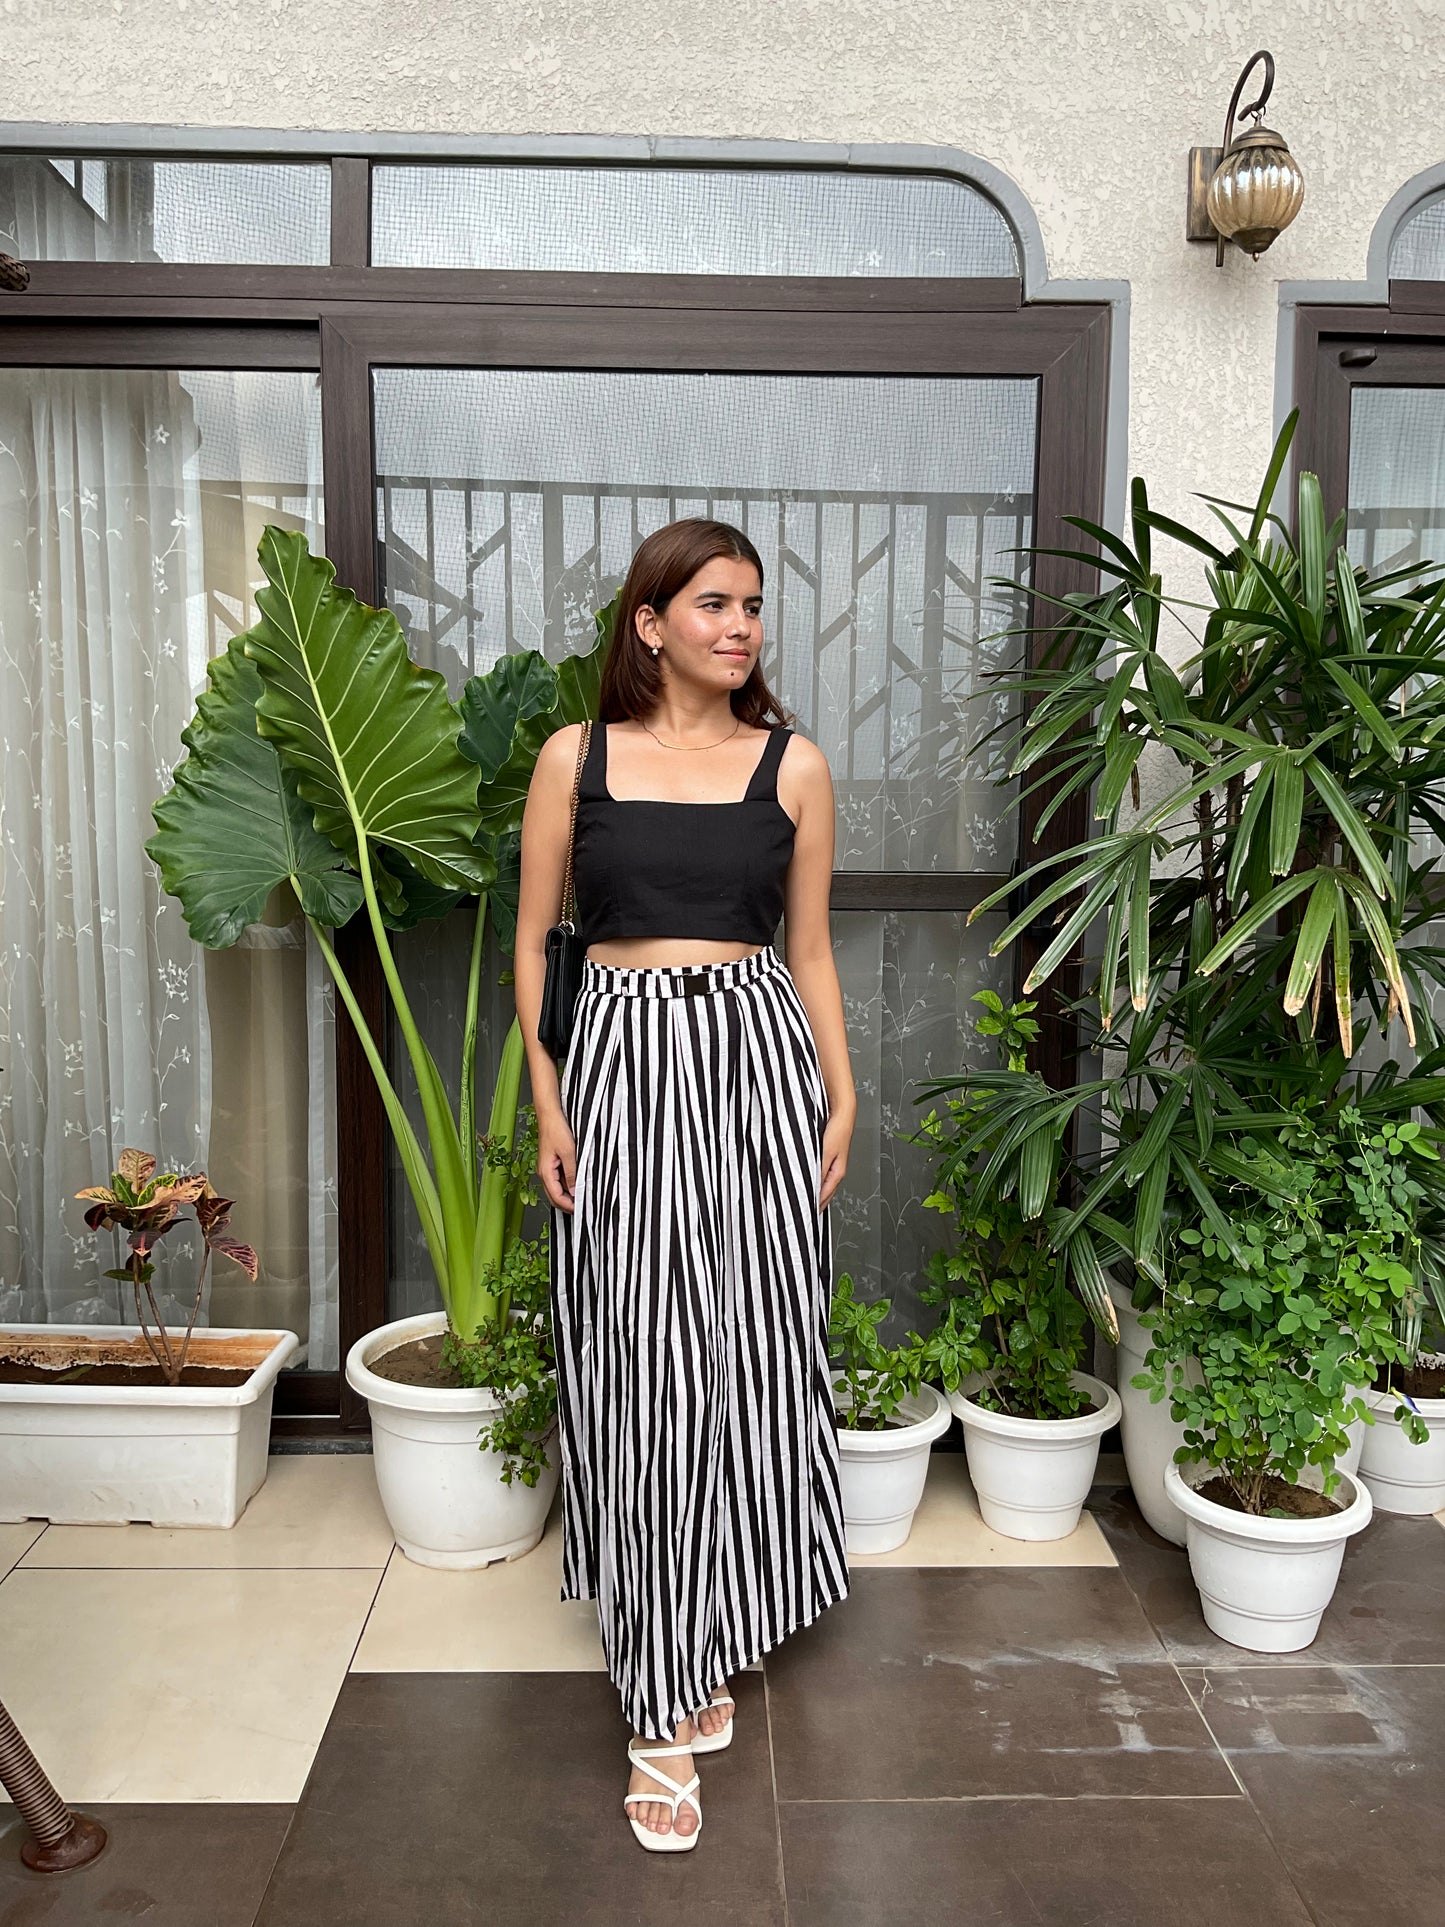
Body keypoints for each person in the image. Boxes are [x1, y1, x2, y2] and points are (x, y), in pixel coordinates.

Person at [515, 517, 856, 1852]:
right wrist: (547, 1097)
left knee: (744, 1355)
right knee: (637, 1364)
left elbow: (812, 952)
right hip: (616, 1067)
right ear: (648, 622)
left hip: (756, 1066)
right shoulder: (574, 761)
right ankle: (657, 1700)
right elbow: (540, 947)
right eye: (713, 603)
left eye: (754, 607)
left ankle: (708, 1618)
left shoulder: (794, 767)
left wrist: (841, 1089)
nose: (740, 626)